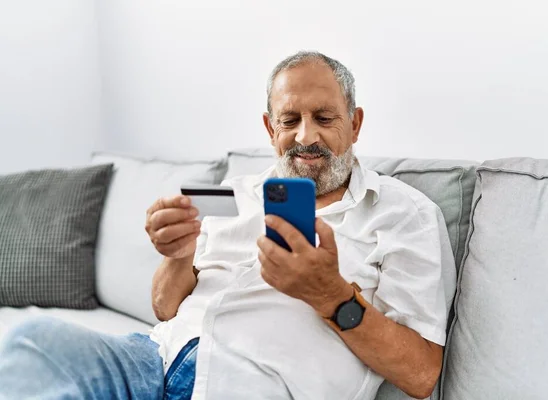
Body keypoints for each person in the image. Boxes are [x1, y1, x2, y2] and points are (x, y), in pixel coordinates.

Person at [0, 51, 456, 400]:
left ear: (355, 124)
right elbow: (163, 307)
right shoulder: (232, 194)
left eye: (324, 118)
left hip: (254, 384)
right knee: (31, 343)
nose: (305, 137)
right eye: (289, 120)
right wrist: (176, 257)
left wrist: (331, 296)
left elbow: (421, 374)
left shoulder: (405, 215)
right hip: (152, 360)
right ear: (269, 128)